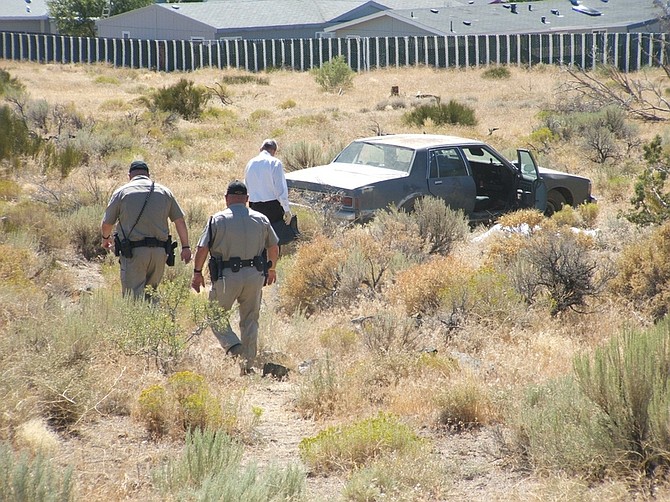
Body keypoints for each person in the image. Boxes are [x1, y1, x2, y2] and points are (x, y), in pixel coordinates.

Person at [191, 180, 280, 375]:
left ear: (227, 199)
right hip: (255, 276)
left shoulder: (217, 220)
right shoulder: (261, 219)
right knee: (250, 319)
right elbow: (273, 246)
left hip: (226, 277)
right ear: (247, 199)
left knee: (215, 315)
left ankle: (234, 347)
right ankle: (247, 365)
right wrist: (271, 269)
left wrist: (197, 273)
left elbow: (202, 248)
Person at [101, 160, 192, 298]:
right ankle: (152, 319)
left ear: (129, 175)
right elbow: (179, 221)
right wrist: (185, 247)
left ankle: (136, 320)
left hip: (133, 253)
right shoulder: (164, 192)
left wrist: (105, 239)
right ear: (148, 174)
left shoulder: (122, 192)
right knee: (152, 295)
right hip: (160, 253)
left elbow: (107, 224)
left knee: (133, 299)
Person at [244, 138, 292, 226]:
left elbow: (246, 186)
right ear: (274, 151)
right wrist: (286, 209)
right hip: (272, 207)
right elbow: (280, 189)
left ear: (261, 149)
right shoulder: (275, 163)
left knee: (258, 237)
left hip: (255, 206)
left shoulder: (250, 163)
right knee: (275, 236)